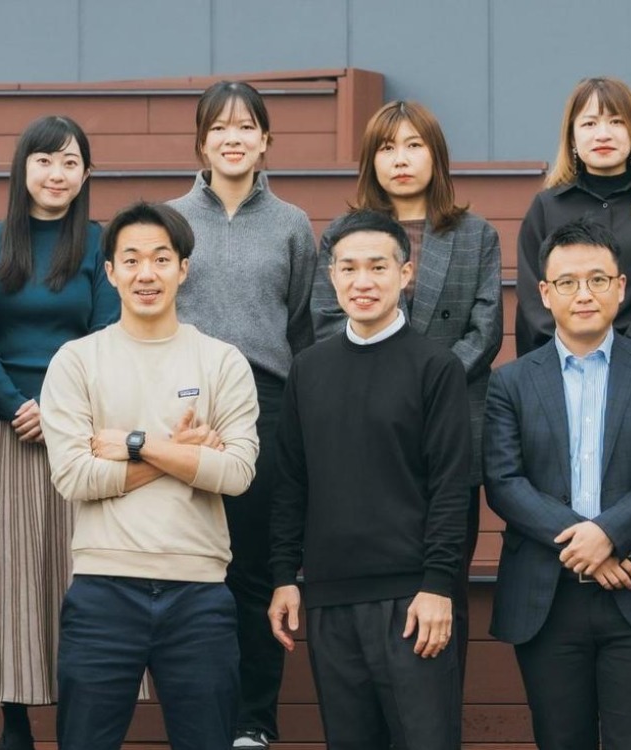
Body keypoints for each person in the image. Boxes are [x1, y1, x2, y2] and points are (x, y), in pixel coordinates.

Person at [40, 201, 261, 750]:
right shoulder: (76, 360)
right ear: (110, 271)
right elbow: (75, 476)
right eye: (132, 259)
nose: (147, 273)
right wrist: (183, 456)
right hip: (103, 588)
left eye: (161, 259)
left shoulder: (223, 361)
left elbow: (237, 473)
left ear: (183, 269)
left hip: (200, 592)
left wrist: (136, 445)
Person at [485, 217, 631, 750]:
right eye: (567, 282)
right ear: (545, 293)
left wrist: (606, 534)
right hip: (546, 597)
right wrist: (586, 545)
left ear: (621, 287)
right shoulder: (511, 381)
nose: (583, 294)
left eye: (598, 279)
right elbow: (504, 481)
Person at [268, 209, 473, 750]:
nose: (363, 282)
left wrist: (438, 585)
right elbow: (291, 483)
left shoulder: (436, 367)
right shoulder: (308, 370)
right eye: (349, 268)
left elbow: (451, 486)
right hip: (330, 601)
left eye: (378, 267)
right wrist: (284, 575)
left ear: (405, 274)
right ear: (331, 277)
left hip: (412, 601)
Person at [313, 99, 503, 650]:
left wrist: (425, 387)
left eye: (414, 145)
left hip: (452, 425)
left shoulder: (476, 235)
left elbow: (485, 330)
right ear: (370, 161)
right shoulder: (342, 234)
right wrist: (390, 388)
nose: (400, 159)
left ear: (436, 155)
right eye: (387, 147)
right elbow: (326, 322)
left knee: (446, 584)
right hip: (365, 428)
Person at [163, 80, 316, 750]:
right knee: (193, 565)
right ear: (201, 141)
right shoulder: (170, 220)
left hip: (266, 402)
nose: (233, 138)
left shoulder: (292, 225)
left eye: (246, 127)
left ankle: (254, 721)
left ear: (265, 140)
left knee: (255, 566)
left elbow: (303, 326)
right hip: (183, 402)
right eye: (219, 127)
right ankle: (199, 720)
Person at [0, 115, 118, 750]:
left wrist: (56, 409)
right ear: (22, 168)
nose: (57, 174)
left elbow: (106, 336)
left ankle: (80, 717)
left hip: (78, 432)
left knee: (72, 574)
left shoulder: (101, 245)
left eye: (70, 162)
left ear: (86, 174)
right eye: (45, 160)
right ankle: (14, 719)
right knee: (5, 574)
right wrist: (13, 402)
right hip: (0, 431)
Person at [515, 76, 631, 373]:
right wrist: (576, 356)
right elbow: (534, 301)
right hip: (566, 369)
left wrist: (628, 360)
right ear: (572, 137)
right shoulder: (546, 207)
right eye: (589, 123)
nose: (603, 134)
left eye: (616, 122)